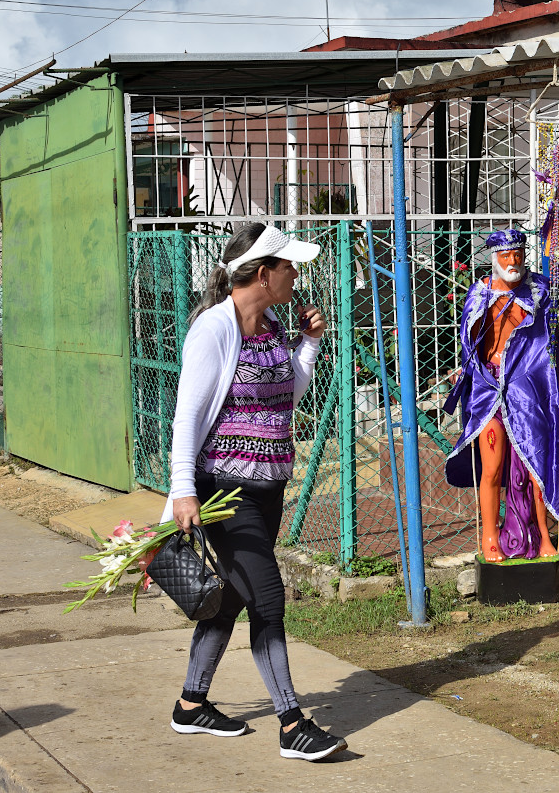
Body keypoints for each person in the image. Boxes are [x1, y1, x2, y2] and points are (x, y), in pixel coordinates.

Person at [164, 223, 347, 761]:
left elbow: (287, 393)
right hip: (225, 491)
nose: (297, 273)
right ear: (263, 274)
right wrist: (182, 491)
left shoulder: (267, 327)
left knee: (237, 594)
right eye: (288, 266)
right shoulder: (214, 330)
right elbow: (186, 417)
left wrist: (308, 345)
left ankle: (191, 706)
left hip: (269, 485)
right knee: (268, 597)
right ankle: (292, 724)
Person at [444, 228, 559, 562]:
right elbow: (468, 345)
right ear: (494, 258)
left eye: (518, 254)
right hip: (490, 392)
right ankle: (490, 536)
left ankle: (543, 536)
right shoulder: (479, 294)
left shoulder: (539, 290)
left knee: (535, 467)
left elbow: (549, 346)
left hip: (528, 392)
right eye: (506, 255)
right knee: (492, 466)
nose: (514, 261)